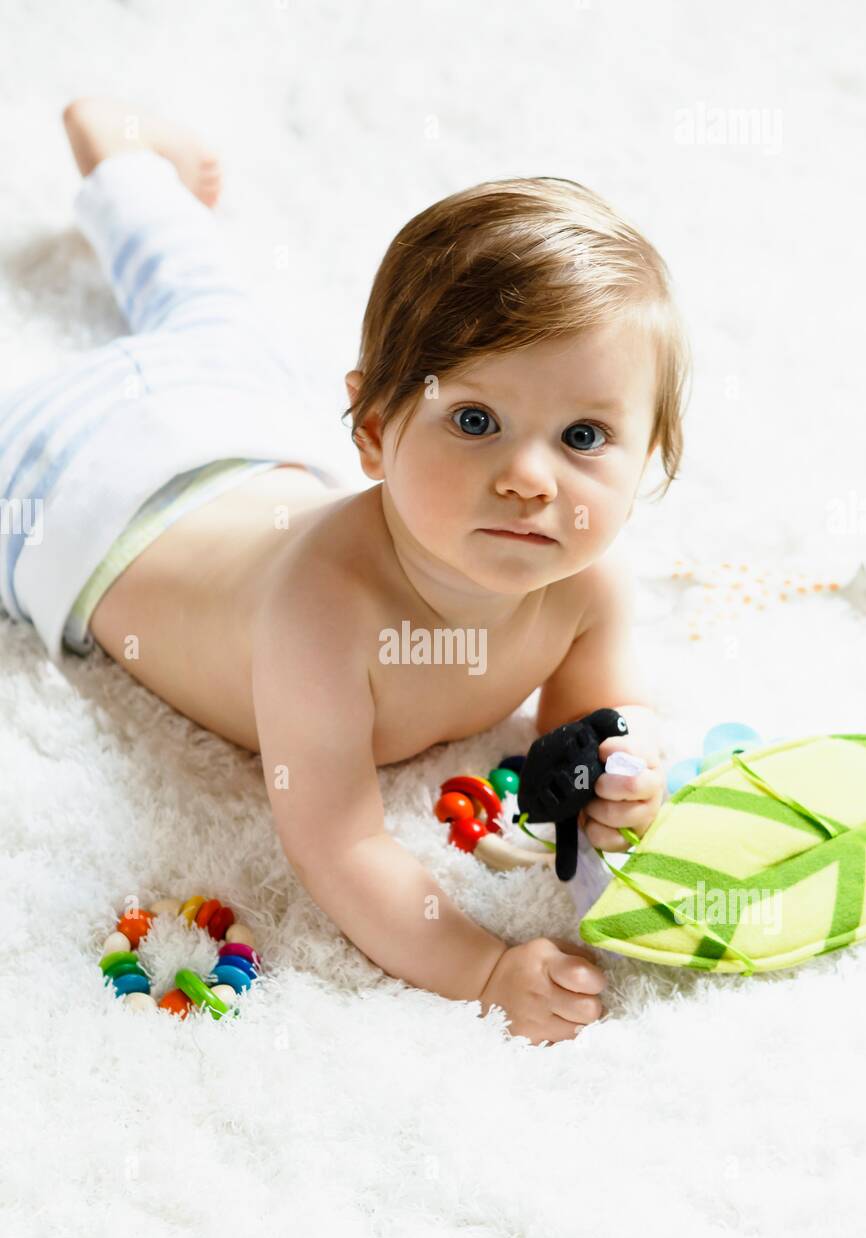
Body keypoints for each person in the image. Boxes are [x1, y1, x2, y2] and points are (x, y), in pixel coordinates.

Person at [0, 96, 687, 1043]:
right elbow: (338, 842)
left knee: (207, 306)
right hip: (73, 485)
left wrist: (623, 770)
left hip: (238, 423)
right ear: (372, 433)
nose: (532, 480)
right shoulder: (323, 612)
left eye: (583, 436)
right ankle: (123, 174)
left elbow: (594, 719)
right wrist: (483, 967)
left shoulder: (587, 586)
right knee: (196, 319)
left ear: (647, 454)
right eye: (477, 421)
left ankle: (124, 166)